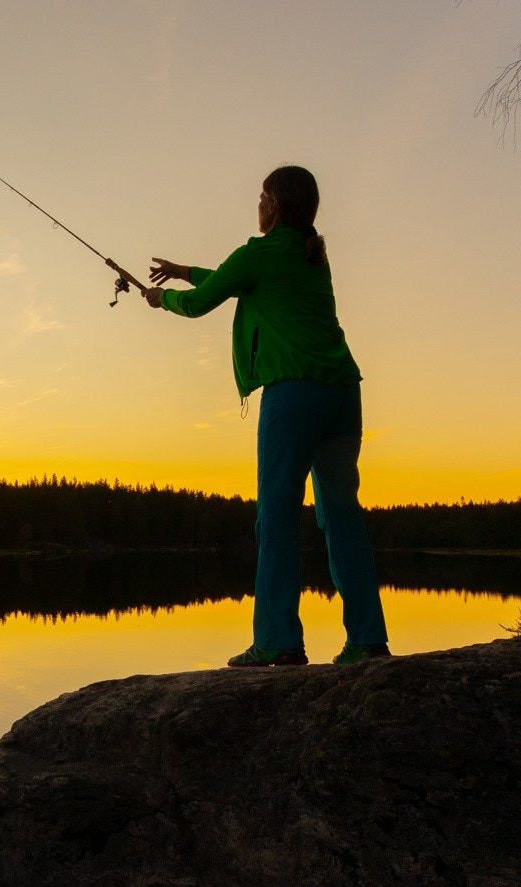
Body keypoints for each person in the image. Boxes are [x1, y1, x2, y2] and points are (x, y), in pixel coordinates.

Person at [142, 165, 390, 667]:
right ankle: (367, 640)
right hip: (343, 393)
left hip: (293, 394)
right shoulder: (310, 256)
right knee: (341, 516)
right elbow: (239, 283)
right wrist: (187, 270)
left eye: (261, 197)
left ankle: (278, 641)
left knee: (275, 517)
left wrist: (163, 298)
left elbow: (202, 304)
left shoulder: (259, 254)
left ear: (274, 203)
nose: (256, 204)